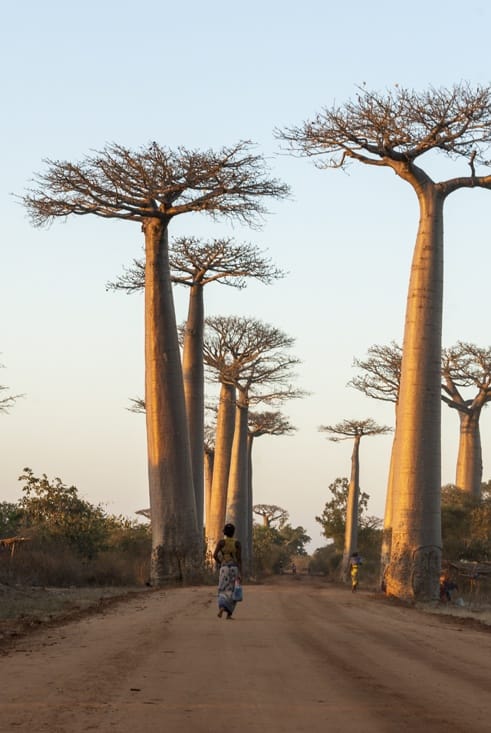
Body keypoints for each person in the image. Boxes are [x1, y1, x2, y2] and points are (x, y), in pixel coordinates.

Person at [213, 523, 242, 620]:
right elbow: (239, 559)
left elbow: (214, 555)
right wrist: (241, 572)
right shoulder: (237, 543)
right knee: (234, 590)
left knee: (222, 589)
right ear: (234, 532)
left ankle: (222, 607)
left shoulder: (221, 542)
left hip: (224, 568)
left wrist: (220, 563)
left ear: (224, 532)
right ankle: (229, 614)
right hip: (234, 568)